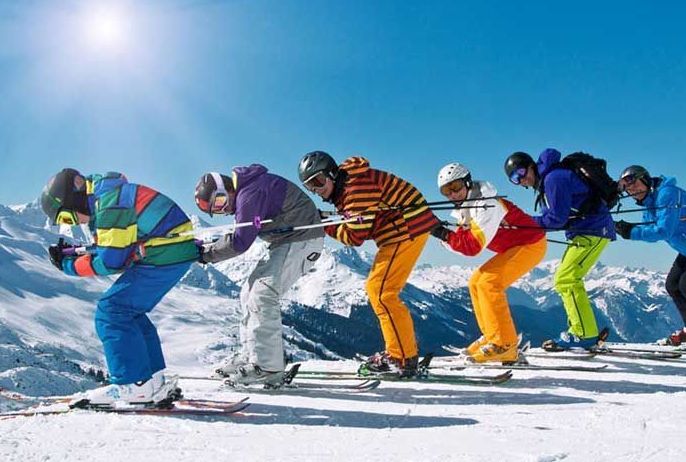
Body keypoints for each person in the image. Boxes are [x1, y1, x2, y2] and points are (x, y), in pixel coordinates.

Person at [41, 168, 199, 405]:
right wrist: (73, 254)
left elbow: (111, 260)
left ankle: (133, 385)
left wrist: (69, 266)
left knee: (111, 310)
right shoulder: (108, 197)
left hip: (165, 256)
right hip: (168, 253)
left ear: (74, 200)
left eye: (67, 218)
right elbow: (116, 245)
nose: (73, 224)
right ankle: (153, 381)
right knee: (129, 312)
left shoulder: (110, 204)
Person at [298, 151, 438, 376]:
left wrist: (323, 223)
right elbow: (357, 220)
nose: (316, 190)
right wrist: (328, 218)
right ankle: (403, 354)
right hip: (402, 229)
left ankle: (401, 359)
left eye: (318, 181)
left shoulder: (355, 189)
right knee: (380, 291)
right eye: (309, 186)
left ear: (332, 174)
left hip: (405, 229)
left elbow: (355, 236)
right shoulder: (349, 186)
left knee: (382, 292)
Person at [194, 165, 324, 386]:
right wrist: (208, 247)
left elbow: (240, 241)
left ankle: (267, 367)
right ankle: (253, 357)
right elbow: (240, 233)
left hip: (301, 240)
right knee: (249, 293)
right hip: (287, 242)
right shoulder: (248, 191)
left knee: (263, 294)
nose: (222, 210)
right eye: (215, 210)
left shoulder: (249, 193)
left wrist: (205, 254)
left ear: (227, 190)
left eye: (219, 202)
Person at [430, 163, 547, 363]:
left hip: (531, 244)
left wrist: (442, 233)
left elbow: (471, 247)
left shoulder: (486, 205)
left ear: (467, 182)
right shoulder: (467, 207)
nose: (452, 194)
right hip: (515, 247)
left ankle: (505, 345)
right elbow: (460, 244)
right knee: (476, 282)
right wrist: (442, 235)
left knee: (489, 283)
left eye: (456, 187)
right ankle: (493, 336)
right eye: (446, 191)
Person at [503, 149, 615, 350]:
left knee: (567, 279)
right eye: (514, 179)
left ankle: (584, 334)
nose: (521, 180)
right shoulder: (549, 180)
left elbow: (556, 220)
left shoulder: (553, 179)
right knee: (566, 279)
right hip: (586, 231)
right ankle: (580, 331)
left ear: (531, 166)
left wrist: (521, 223)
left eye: (520, 173)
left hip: (594, 230)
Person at [615, 165, 686, 350]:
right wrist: (628, 229)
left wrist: (632, 232)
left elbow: (664, 230)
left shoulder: (666, 194)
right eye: (628, 189)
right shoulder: (648, 202)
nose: (633, 191)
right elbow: (651, 230)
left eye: (634, 185)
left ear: (645, 179)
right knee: (673, 285)